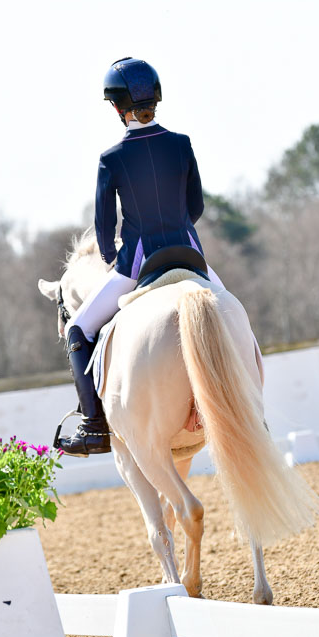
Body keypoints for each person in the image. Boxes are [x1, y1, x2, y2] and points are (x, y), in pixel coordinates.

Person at [59, 57, 224, 457]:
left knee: (78, 329)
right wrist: (177, 230)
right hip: (189, 252)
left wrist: (112, 255)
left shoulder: (111, 158)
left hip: (138, 261)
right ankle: (253, 410)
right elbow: (196, 206)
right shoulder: (181, 143)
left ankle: (93, 426)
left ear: (117, 107)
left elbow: (103, 224)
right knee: (232, 313)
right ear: (157, 97)